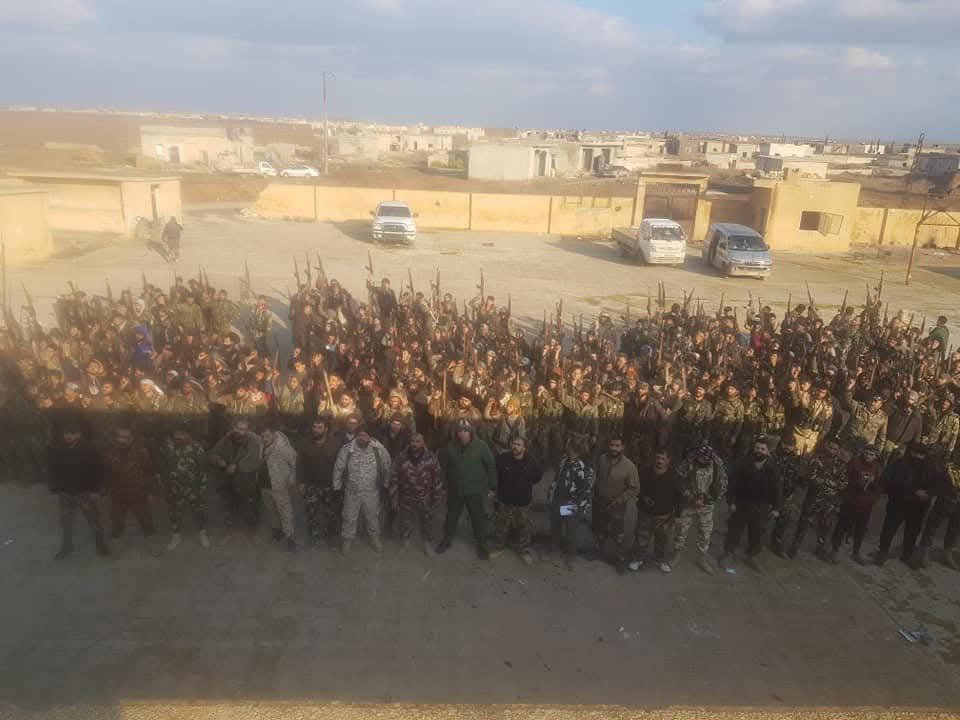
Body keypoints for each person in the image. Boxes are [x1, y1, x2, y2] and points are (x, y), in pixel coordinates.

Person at [46, 422, 109, 559]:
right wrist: (54, 487)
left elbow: (98, 470)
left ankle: (101, 545)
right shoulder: (59, 448)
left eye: (72, 433)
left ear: (79, 434)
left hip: (83, 493)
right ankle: (67, 546)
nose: (68, 436)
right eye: (66, 433)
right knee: (66, 523)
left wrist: (96, 490)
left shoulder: (89, 449)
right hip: (65, 493)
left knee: (93, 520)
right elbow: (53, 469)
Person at [437, 419, 497, 559]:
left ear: (471, 433)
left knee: (478, 518)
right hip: (455, 489)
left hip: (474, 489)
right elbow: (441, 467)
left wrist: (492, 486)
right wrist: (443, 486)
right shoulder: (449, 447)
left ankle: (482, 545)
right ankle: (446, 540)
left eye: (465, 431)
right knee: (451, 516)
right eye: (460, 431)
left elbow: (490, 465)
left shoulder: (481, 446)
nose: (462, 434)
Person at [720, 438, 782, 571]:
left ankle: (752, 556)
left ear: (768, 452)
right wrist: (731, 502)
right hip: (742, 503)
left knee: (757, 534)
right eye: (757, 448)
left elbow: (777, 489)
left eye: (762, 449)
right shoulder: (742, 463)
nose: (759, 451)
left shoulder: (773, 469)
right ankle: (728, 554)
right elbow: (732, 484)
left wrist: (776, 508)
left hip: (761, 506)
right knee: (734, 531)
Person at [875, 441, 936, 566]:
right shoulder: (899, 464)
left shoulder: (929, 468)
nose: (918, 456)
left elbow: (936, 484)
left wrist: (928, 494)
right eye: (915, 453)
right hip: (899, 502)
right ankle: (882, 552)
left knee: (912, 532)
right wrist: (915, 491)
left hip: (919, 507)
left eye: (921, 454)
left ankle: (907, 555)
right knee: (889, 529)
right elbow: (893, 481)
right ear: (910, 452)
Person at [333, 425, 391, 553]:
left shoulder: (378, 449)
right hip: (351, 491)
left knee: (372, 516)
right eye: (359, 435)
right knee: (349, 516)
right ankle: (347, 540)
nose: (362, 438)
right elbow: (338, 468)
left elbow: (387, 466)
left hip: (371, 492)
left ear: (369, 436)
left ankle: (374, 538)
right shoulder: (347, 449)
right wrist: (337, 487)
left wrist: (386, 485)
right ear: (356, 435)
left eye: (365, 435)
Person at [673, 443, 727, 574]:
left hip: (707, 505)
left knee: (705, 533)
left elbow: (723, 484)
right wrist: (690, 497)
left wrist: (708, 499)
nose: (704, 461)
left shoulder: (717, 464)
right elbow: (678, 481)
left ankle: (702, 559)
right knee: (681, 531)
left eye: (707, 459)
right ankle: (676, 555)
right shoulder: (689, 461)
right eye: (701, 458)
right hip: (688, 503)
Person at [386, 433, 444, 554]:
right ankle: (405, 541)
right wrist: (394, 498)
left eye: (418, 441)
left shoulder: (431, 457)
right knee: (405, 521)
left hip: (425, 497)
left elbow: (437, 478)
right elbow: (393, 478)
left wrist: (437, 497)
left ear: (423, 443)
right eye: (412, 441)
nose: (414, 444)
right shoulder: (401, 457)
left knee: (427, 521)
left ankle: (426, 543)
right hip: (406, 497)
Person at [490, 436, 542, 564]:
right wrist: (493, 490)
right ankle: (498, 547)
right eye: (513, 444)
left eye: (519, 445)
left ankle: (523, 550)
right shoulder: (502, 459)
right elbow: (494, 474)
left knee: (524, 526)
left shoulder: (532, 462)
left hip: (523, 501)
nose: (515, 447)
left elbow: (537, 477)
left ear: (524, 448)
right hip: (504, 499)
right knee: (501, 524)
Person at [593, 436, 640, 573]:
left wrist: (619, 500)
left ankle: (620, 559)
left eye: (617, 446)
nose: (614, 448)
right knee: (600, 530)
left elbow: (634, 488)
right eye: (612, 445)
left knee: (618, 534)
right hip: (600, 502)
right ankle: (598, 553)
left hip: (617, 506)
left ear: (623, 447)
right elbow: (597, 476)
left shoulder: (629, 466)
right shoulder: (602, 459)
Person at [159, 424, 210, 550]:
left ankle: (202, 534)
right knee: (175, 513)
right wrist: (165, 485)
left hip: (193, 487)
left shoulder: (196, 447)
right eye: (177, 433)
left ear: (188, 434)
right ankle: (176, 536)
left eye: (183, 433)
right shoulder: (166, 446)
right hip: (175, 488)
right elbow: (161, 467)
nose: (180, 436)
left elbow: (203, 468)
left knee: (199, 511)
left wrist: (202, 487)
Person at [830, 445, 883, 564]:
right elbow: (845, 478)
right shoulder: (855, 462)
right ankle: (834, 549)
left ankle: (856, 552)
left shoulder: (878, 468)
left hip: (866, 504)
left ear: (876, 457)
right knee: (842, 525)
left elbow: (880, 487)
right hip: (851, 500)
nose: (868, 456)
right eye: (866, 453)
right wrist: (850, 490)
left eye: (871, 454)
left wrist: (872, 484)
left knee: (861, 528)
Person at [102, 426, 156, 541]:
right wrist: (104, 491)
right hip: (118, 492)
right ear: (116, 438)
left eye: (126, 437)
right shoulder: (110, 453)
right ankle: (117, 539)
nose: (122, 440)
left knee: (145, 517)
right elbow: (106, 474)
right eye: (120, 437)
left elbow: (149, 473)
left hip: (138, 491)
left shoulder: (142, 452)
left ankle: (150, 537)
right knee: (116, 519)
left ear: (132, 438)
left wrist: (151, 491)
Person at [632, 450, 682, 573]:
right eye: (658, 457)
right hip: (645, 513)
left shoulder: (674, 476)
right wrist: (644, 497)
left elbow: (680, 496)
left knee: (662, 538)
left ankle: (660, 560)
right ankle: (638, 558)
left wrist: (677, 515)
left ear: (668, 460)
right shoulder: (645, 472)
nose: (659, 461)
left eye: (663, 458)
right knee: (641, 537)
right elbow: (637, 488)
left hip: (664, 516)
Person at [207, 420, 263, 529]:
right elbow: (212, 453)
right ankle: (231, 520)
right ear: (233, 428)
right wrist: (219, 461)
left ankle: (252, 524)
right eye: (237, 428)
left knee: (249, 502)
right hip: (228, 477)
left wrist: (236, 467)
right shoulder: (226, 439)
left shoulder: (253, 441)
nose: (239, 431)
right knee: (229, 500)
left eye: (243, 429)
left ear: (247, 431)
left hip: (246, 478)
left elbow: (256, 462)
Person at [296, 415, 343, 545]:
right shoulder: (304, 443)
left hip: (330, 485)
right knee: (312, 512)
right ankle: (314, 535)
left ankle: (330, 536)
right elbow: (300, 464)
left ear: (326, 429)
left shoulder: (335, 443)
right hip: (311, 485)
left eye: (319, 427)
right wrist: (300, 482)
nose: (315, 430)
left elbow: (341, 463)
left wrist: (340, 482)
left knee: (331, 512)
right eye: (314, 427)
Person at [549, 437, 594, 567]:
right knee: (556, 524)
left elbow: (585, 490)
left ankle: (571, 554)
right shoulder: (565, 460)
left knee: (571, 528)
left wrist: (577, 507)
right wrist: (551, 494)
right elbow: (558, 478)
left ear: (574, 448)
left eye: (568, 444)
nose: (565, 445)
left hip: (571, 503)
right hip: (558, 499)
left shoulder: (583, 467)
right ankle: (554, 548)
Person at [916, 459, 960, 570]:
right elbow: (938, 483)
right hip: (945, 501)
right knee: (932, 526)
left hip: (958, 505)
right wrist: (930, 493)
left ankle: (947, 554)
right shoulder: (949, 467)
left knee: (954, 530)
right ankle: (925, 551)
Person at [261, 427, 299, 551]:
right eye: (262, 436)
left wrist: (291, 479)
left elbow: (295, 463)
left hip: (279, 485)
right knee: (271, 510)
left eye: (267, 436)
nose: (265, 439)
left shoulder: (283, 448)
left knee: (285, 511)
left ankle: (290, 538)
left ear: (273, 435)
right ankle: (277, 531)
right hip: (264, 485)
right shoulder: (260, 446)